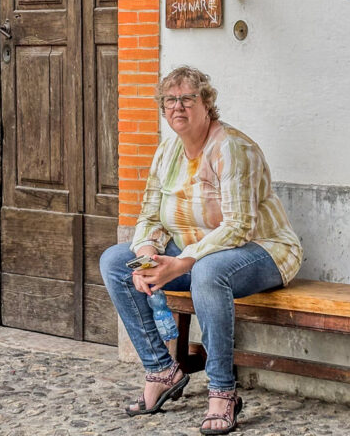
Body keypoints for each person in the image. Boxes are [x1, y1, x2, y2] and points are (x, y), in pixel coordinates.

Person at [100, 66, 302, 435]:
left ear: (206, 104)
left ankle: (223, 392)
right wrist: (147, 254)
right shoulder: (167, 151)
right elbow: (149, 214)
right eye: (170, 100)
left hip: (263, 249)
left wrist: (180, 263)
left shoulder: (231, 148)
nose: (178, 107)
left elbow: (238, 225)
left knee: (209, 272)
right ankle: (162, 371)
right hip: (196, 251)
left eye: (188, 98)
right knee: (116, 261)